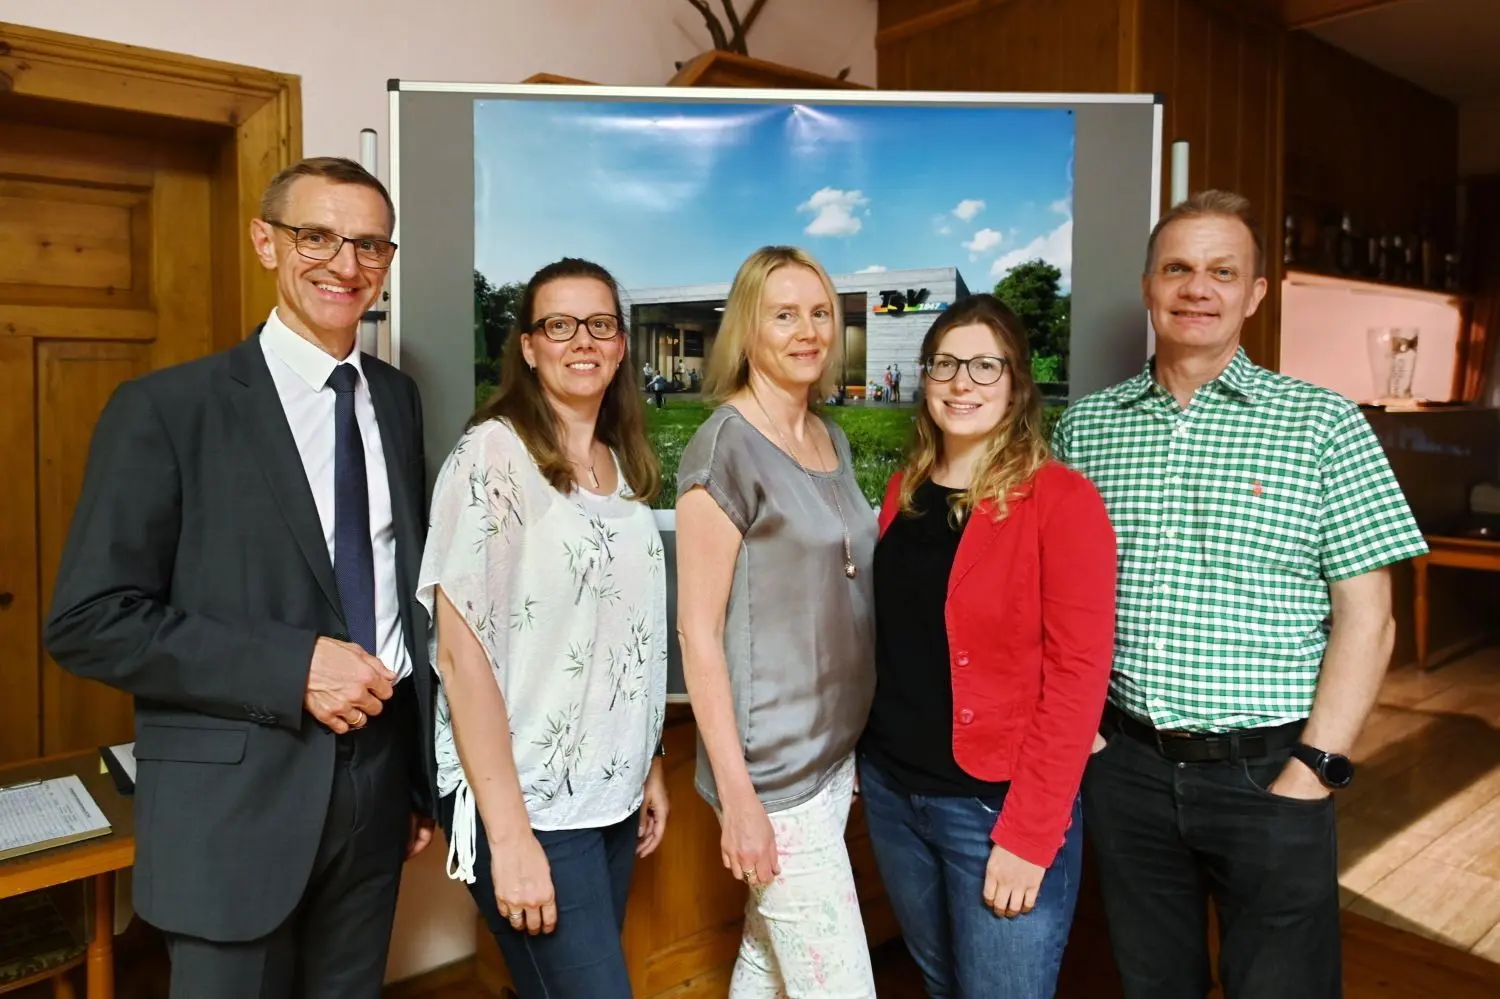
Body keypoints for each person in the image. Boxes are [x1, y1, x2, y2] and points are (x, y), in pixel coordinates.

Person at [44, 156, 437, 998]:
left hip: (376, 786)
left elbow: (400, 590)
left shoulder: (398, 401)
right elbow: (89, 618)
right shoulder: (166, 410)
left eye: (369, 244)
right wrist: (292, 666)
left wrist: (413, 779)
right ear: (266, 242)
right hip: (234, 808)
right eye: (316, 236)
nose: (345, 263)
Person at [1052, 190, 1429, 999]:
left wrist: (1317, 767)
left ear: (1254, 293)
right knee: (1153, 984)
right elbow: (1052, 595)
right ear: (1148, 285)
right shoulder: (1086, 429)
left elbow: (1372, 617)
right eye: (1179, 268)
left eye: (1223, 271)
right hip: (1128, 771)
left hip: (1272, 772)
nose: (1199, 288)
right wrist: (1090, 749)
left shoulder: (1323, 425)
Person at [418, 257, 670, 998]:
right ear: (528, 346)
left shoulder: (617, 464)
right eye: (559, 325)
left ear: (621, 345)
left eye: (599, 325)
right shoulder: (492, 455)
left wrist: (647, 757)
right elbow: (460, 662)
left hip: (611, 793)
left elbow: (621, 637)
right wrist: (509, 834)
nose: (581, 341)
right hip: (528, 800)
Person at [859, 294, 1116, 999]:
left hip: (994, 807)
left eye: (983, 365)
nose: (961, 381)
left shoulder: (1062, 500)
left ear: (1015, 383)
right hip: (893, 790)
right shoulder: (900, 491)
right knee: (943, 987)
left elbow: (1079, 673)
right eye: (945, 363)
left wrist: (1031, 835)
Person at [675, 245, 878, 998]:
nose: (808, 330)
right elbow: (697, 633)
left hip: (834, 756)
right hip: (771, 773)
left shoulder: (833, 437)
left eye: (820, 312)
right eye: (784, 314)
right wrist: (739, 800)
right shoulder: (725, 448)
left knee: (767, 962)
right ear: (747, 329)